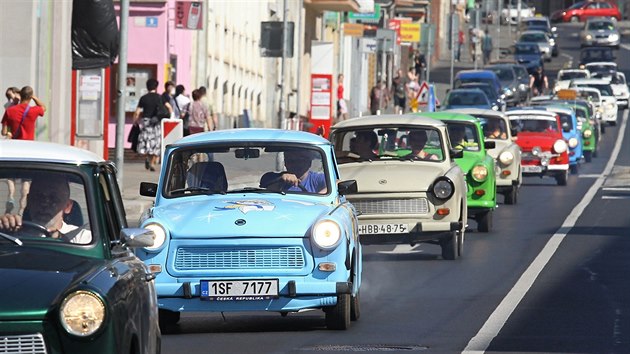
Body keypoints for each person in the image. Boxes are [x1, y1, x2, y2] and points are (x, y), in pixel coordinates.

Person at [0, 174, 91, 244]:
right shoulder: (9, 234)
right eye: (38, 197)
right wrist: (3, 229)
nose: (44, 203)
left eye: (53, 198)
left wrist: (62, 239)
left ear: (67, 206)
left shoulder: (82, 238)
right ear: (29, 201)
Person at [133, 78, 165, 171]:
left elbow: (137, 111)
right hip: (155, 122)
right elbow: (166, 109)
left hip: (145, 121)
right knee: (156, 142)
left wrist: (135, 121)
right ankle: (152, 163)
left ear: (147, 87)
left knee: (146, 140)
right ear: (156, 87)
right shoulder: (159, 97)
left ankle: (147, 157)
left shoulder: (143, 98)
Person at [260, 150, 327, 194]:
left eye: (300, 160)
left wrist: (316, 198)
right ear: (285, 162)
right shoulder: (272, 178)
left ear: (309, 163)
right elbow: (265, 189)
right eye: (291, 160)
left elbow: (336, 184)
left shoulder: (317, 179)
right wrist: (280, 180)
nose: (295, 164)